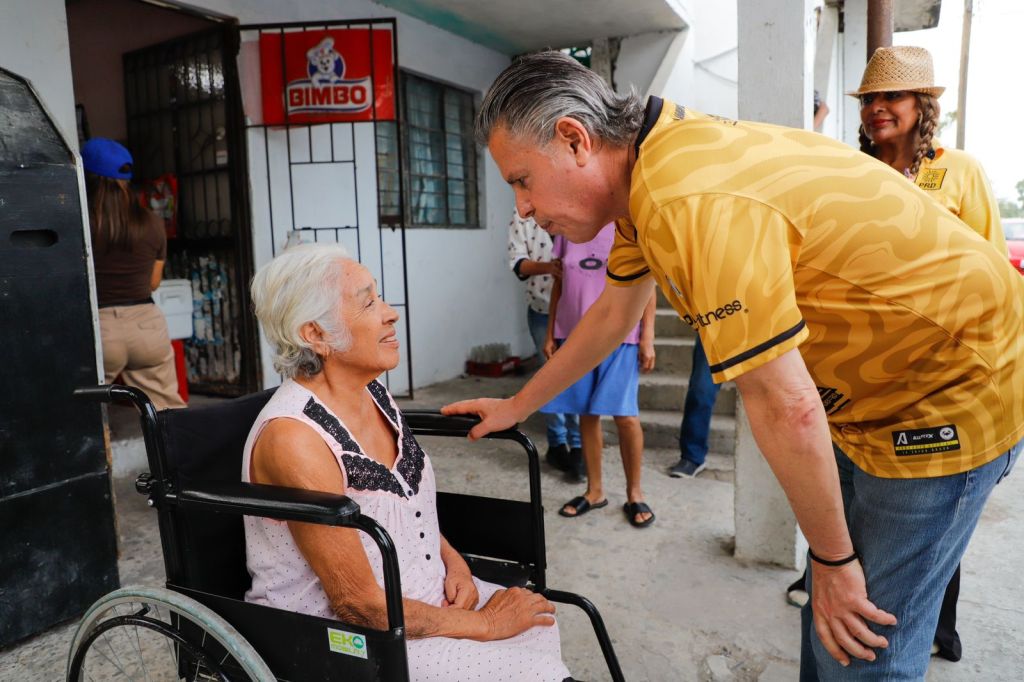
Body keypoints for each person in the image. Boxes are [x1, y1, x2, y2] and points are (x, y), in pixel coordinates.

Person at [442, 51, 1024, 680]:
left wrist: (831, 562)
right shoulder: (645, 171)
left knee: (863, 640)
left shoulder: (685, 197)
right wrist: (518, 405)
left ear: (574, 140)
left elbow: (784, 403)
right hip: (868, 395)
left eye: (522, 180)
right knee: (828, 619)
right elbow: (612, 315)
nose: (523, 208)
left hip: (949, 389)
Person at [244, 243, 572, 682]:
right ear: (315, 335)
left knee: (539, 621)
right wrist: (484, 625)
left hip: (419, 598)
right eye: (368, 303)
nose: (390, 314)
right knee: (531, 672)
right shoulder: (294, 439)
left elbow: (404, 507)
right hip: (345, 637)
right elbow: (357, 605)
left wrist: (455, 564)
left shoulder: (373, 393)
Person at [852, 44, 1006, 664]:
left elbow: (992, 267)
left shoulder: (958, 170)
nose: (878, 107)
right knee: (870, 511)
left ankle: (938, 622)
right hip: (867, 369)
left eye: (892, 96)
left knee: (933, 513)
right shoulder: (850, 171)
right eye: (870, 98)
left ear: (922, 105)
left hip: (943, 369)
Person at [542, 225, 657, 526]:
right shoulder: (566, 231)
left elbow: (647, 284)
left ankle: (634, 493)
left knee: (626, 416)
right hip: (573, 336)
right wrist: (551, 331)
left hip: (620, 336)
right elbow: (560, 284)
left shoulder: (626, 228)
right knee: (587, 414)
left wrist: (647, 337)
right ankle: (594, 492)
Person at [85, 138, 185, 411]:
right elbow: (153, 282)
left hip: (99, 327)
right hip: (146, 325)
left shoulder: (81, 224)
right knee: (167, 412)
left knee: (85, 412)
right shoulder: (152, 223)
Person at [508, 210, 583, 480]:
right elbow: (518, 264)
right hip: (541, 308)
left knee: (576, 378)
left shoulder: (576, 210)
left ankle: (579, 445)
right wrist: (550, 267)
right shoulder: (522, 216)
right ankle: (557, 443)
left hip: (579, 310)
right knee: (549, 379)